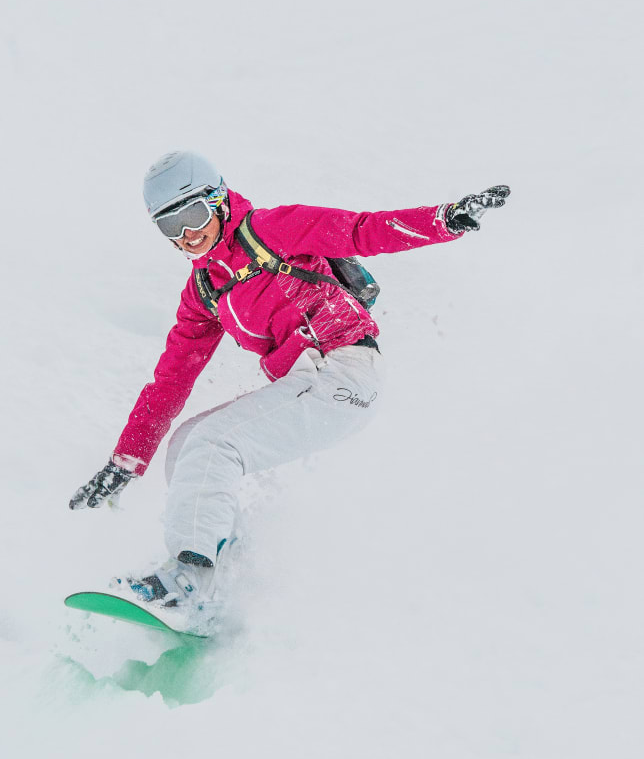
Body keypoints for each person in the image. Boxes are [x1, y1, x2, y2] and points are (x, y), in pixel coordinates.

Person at [69, 151, 509, 622]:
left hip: (343, 370)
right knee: (184, 446)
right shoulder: (205, 290)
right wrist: (127, 460)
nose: (186, 235)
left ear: (218, 202)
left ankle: (189, 582)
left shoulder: (272, 230)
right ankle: (216, 570)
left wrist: (447, 220)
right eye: (168, 226)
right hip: (307, 380)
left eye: (193, 216)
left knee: (214, 446)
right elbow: (171, 379)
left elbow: (363, 229)